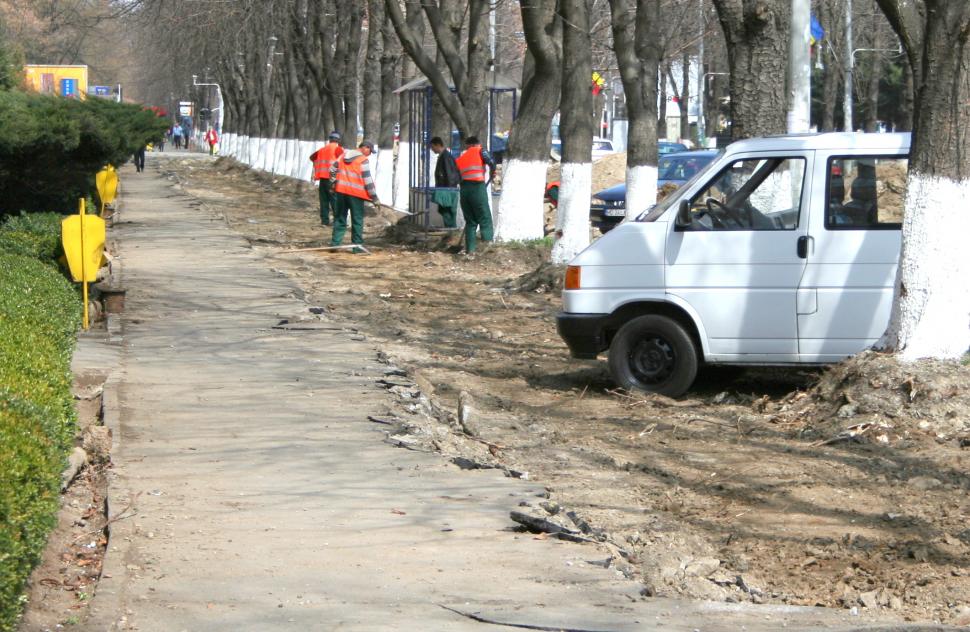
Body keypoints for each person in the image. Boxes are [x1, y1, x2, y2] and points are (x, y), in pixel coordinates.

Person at [330, 140, 379, 253]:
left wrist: (333, 183)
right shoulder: (363, 160)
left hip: (341, 192)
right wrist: (374, 197)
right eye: (370, 151)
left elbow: (332, 169)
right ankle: (357, 247)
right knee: (357, 220)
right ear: (365, 148)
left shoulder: (343, 155)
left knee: (340, 218)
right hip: (356, 195)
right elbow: (367, 180)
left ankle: (335, 244)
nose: (370, 154)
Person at [455, 136, 496, 254]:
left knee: (471, 221)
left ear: (469, 145)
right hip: (477, 188)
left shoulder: (461, 158)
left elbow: (456, 176)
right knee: (485, 217)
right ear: (476, 144)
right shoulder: (480, 150)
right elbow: (491, 162)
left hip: (464, 191)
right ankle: (488, 246)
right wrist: (493, 172)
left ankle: (470, 250)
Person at [308, 131, 344, 226]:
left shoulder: (322, 150)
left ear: (330, 139)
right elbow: (343, 162)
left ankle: (324, 221)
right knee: (335, 200)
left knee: (324, 201)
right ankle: (338, 221)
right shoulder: (338, 149)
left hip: (322, 179)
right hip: (333, 179)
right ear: (338, 140)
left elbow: (312, 158)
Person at [429, 136, 460, 228]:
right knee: (445, 211)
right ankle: (449, 229)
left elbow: (450, 174)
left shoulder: (446, 157)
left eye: (432, 147)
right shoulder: (444, 156)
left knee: (447, 211)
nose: (432, 149)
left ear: (438, 145)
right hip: (445, 189)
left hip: (447, 190)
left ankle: (450, 229)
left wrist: (449, 190)